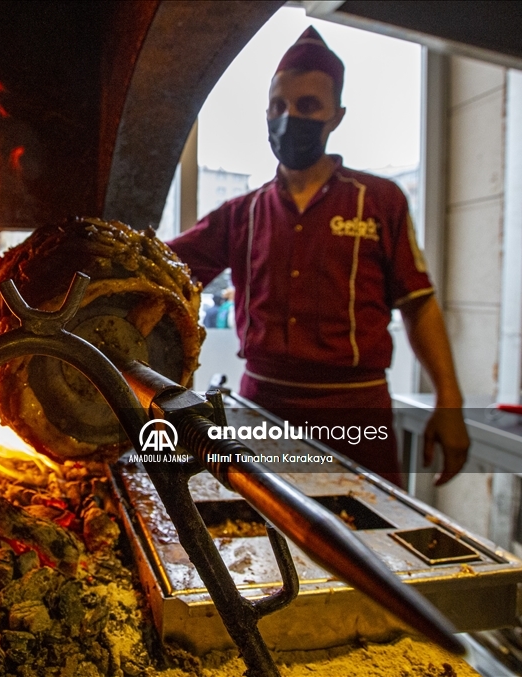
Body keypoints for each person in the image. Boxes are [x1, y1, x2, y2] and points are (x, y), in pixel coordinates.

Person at [168, 27, 469, 487]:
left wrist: (449, 402)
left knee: (367, 541)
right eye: (278, 106)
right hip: (261, 405)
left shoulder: (379, 201)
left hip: (355, 408)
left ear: (336, 116)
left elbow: (419, 302)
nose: (289, 118)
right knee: (259, 539)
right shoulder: (241, 213)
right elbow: (160, 267)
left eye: (307, 106)